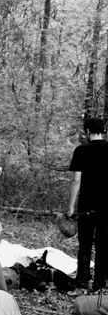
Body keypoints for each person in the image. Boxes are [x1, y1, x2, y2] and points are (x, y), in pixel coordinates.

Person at [66, 118, 108, 289]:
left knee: (85, 245)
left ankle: (82, 281)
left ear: (88, 131)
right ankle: (99, 282)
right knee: (103, 246)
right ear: (103, 130)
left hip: (86, 206)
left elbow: (76, 180)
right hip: (106, 207)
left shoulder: (81, 150)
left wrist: (70, 207)